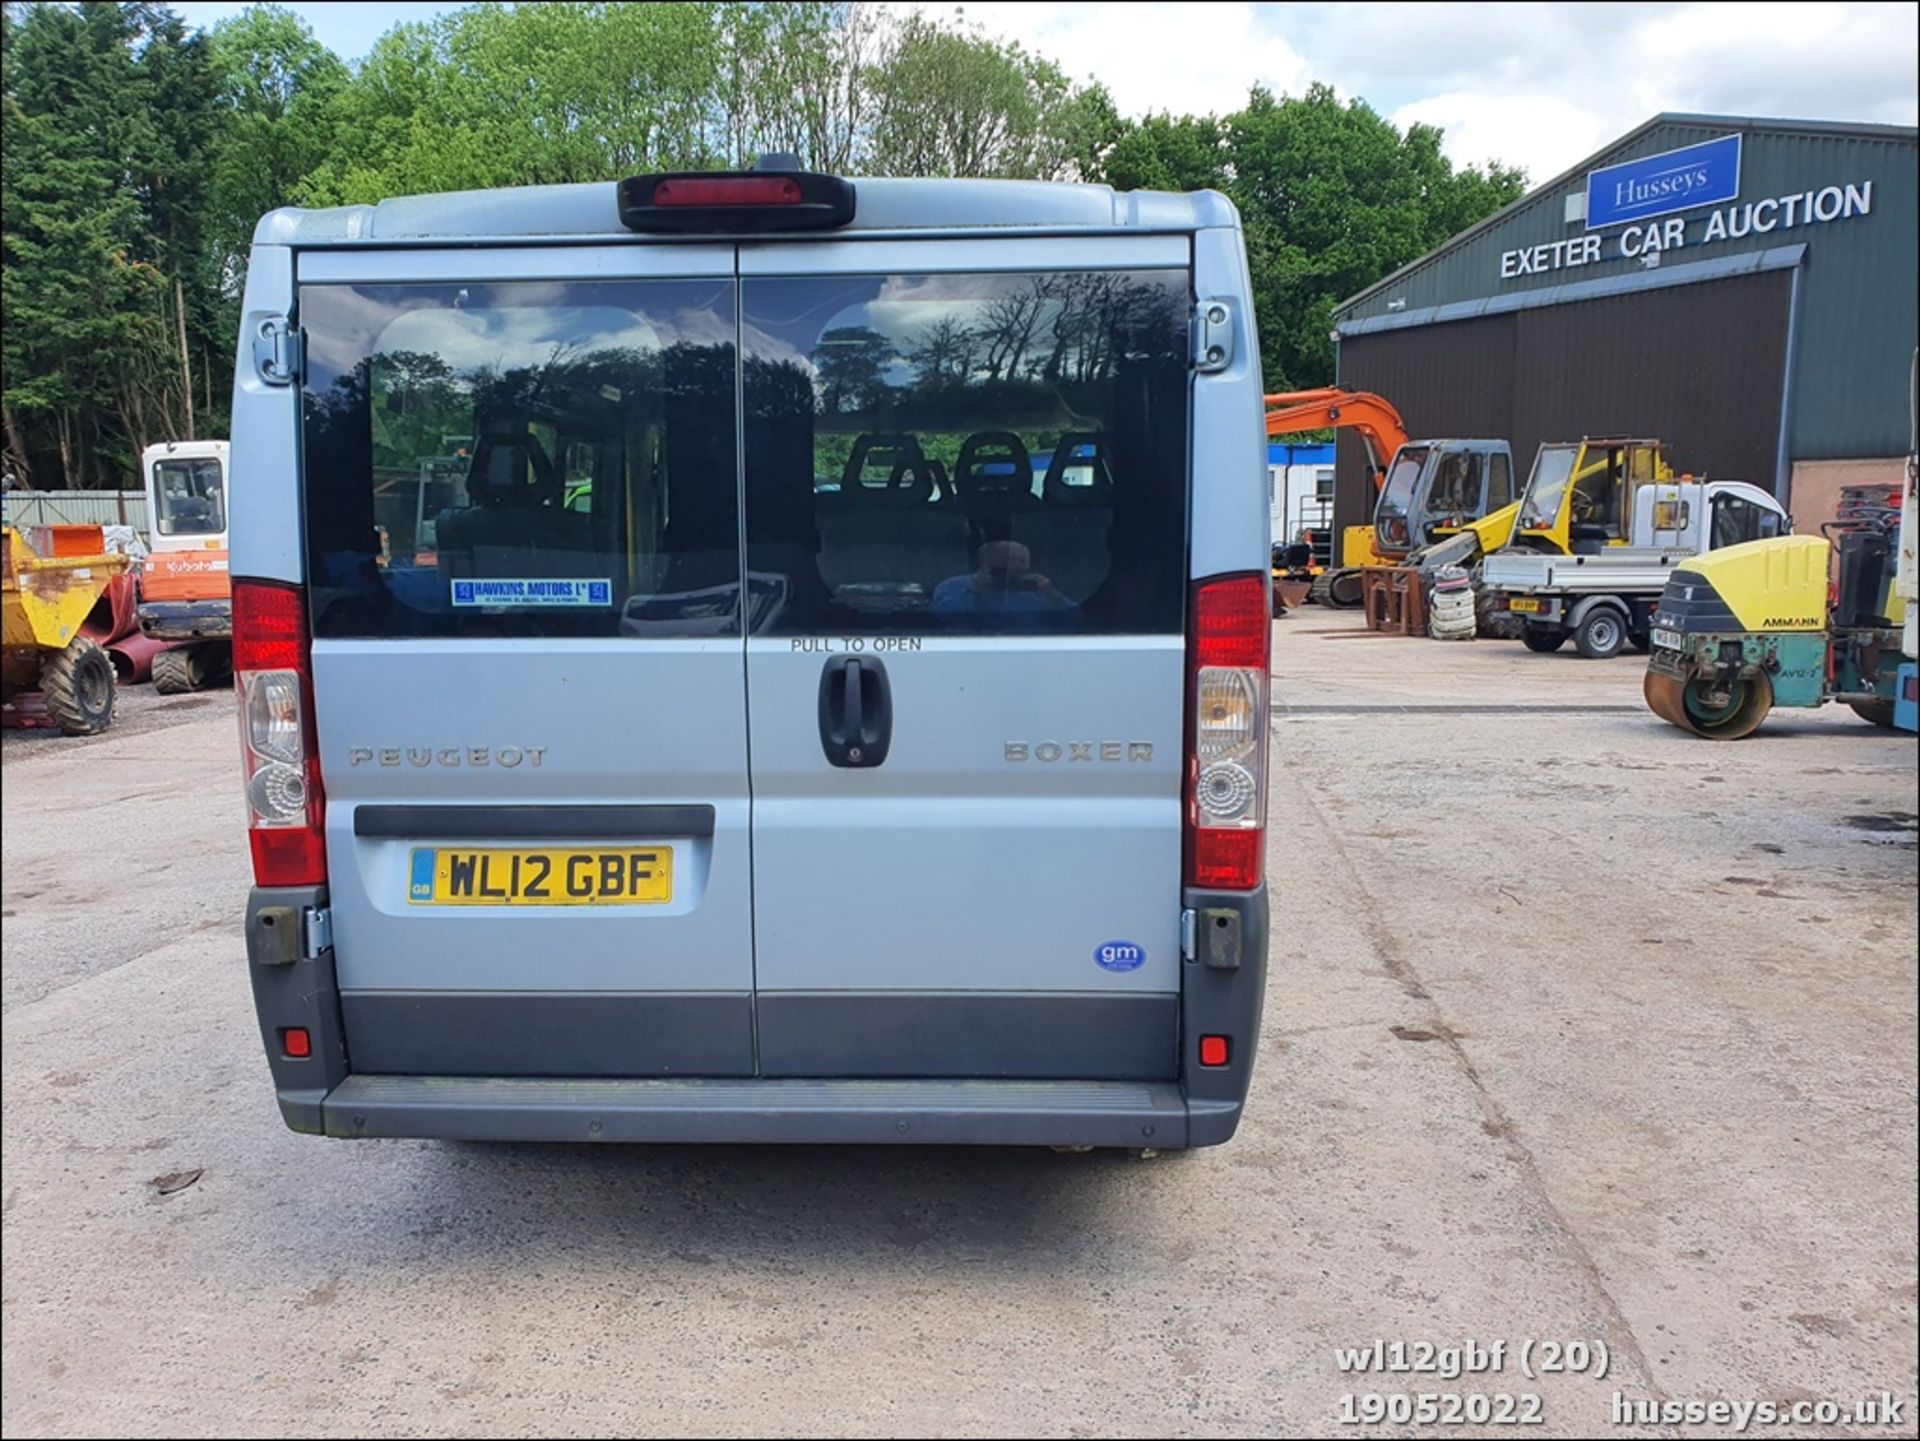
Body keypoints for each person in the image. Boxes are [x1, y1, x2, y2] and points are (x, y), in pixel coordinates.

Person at [931, 540, 1072, 617]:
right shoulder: (953, 586)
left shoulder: (1036, 591)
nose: (1013, 565)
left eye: (1021, 560)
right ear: (985, 561)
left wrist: (1053, 596)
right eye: (1007, 559)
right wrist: (974, 592)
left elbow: (1080, 621)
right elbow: (937, 618)